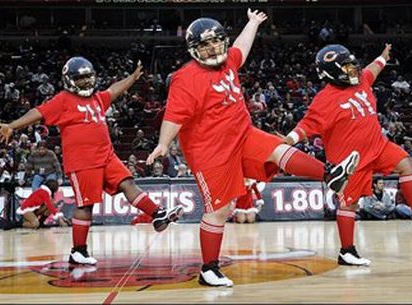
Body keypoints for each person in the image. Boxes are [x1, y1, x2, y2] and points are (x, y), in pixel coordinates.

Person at [146, 10, 359, 287]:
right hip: (211, 150)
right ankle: (208, 269)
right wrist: (163, 144)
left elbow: (240, 48)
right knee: (220, 210)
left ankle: (330, 174)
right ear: (193, 49)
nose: (212, 48)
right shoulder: (185, 78)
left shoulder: (228, 62)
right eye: (205, 45)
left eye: (216, 42)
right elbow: (174, 116)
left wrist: (253, 23)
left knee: (278, 149)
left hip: (242, 133)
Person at [0, 56, 183, 265]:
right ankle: (78, 250)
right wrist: (12, 126)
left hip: (107, 156)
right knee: (86, 205)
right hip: (82, 162)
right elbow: (38, 112)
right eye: (81, 78)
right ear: (69, 80)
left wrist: (131, 78)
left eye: (88, 77)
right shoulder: (63, 99)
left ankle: (157, 215)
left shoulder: (96, 98)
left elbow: (113, 90)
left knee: (128, 183)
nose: (86, 82)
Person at [285, 43, 412, 267]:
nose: (354, 70)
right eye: (347, 67)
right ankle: (346, 251)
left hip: (378, 146)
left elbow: (373, 68)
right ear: (332, 73)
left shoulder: (361, 79)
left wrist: (382, 56)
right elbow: (307, 125)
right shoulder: (324, 99)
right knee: (349, 205)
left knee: (406, 163)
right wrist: (289, 140)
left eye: (353, 65)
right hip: (350, 160)